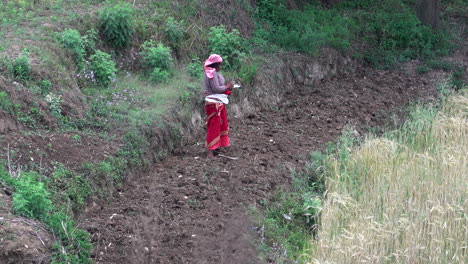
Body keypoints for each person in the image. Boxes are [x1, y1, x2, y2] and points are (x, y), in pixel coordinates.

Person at [203, 54, 235, 159]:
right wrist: (228, 86)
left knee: (220, 125)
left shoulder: (211, 73)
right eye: (219, 64)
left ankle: (215, 148)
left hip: (217, 103)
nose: (220, 66)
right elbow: (217, 88)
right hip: (214, 104)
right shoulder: (211, 74)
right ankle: (210, 153)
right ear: (216, 64)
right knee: (214, 126)